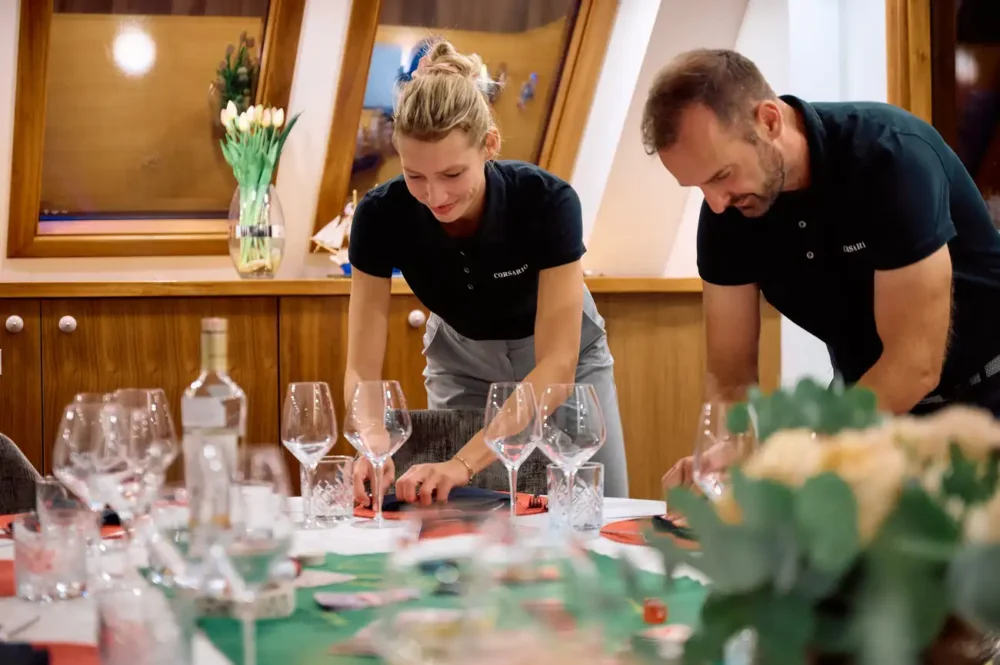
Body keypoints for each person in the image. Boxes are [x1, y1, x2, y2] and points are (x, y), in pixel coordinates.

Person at [640, 49, 1000, 489]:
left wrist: (795, 451)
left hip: (985, 401)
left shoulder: (890, 157)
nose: (716, 203)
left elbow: (914, 363)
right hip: (867, 414)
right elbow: (729, 376)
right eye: (697, 187)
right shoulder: (727, 211)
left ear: (769, 121)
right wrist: (724, 463)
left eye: (721, 175)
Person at [344, 39, 629, 505]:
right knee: (468, 515)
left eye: (453, 175)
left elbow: (557, 363)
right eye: (416, 176)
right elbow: (361, 367)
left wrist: (464, 460)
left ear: (489, 145)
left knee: (596, 507)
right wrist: (372, 440)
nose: (435, 196)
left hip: (567, 360)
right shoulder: (380, 215)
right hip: (461, 361)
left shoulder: (547, 201)